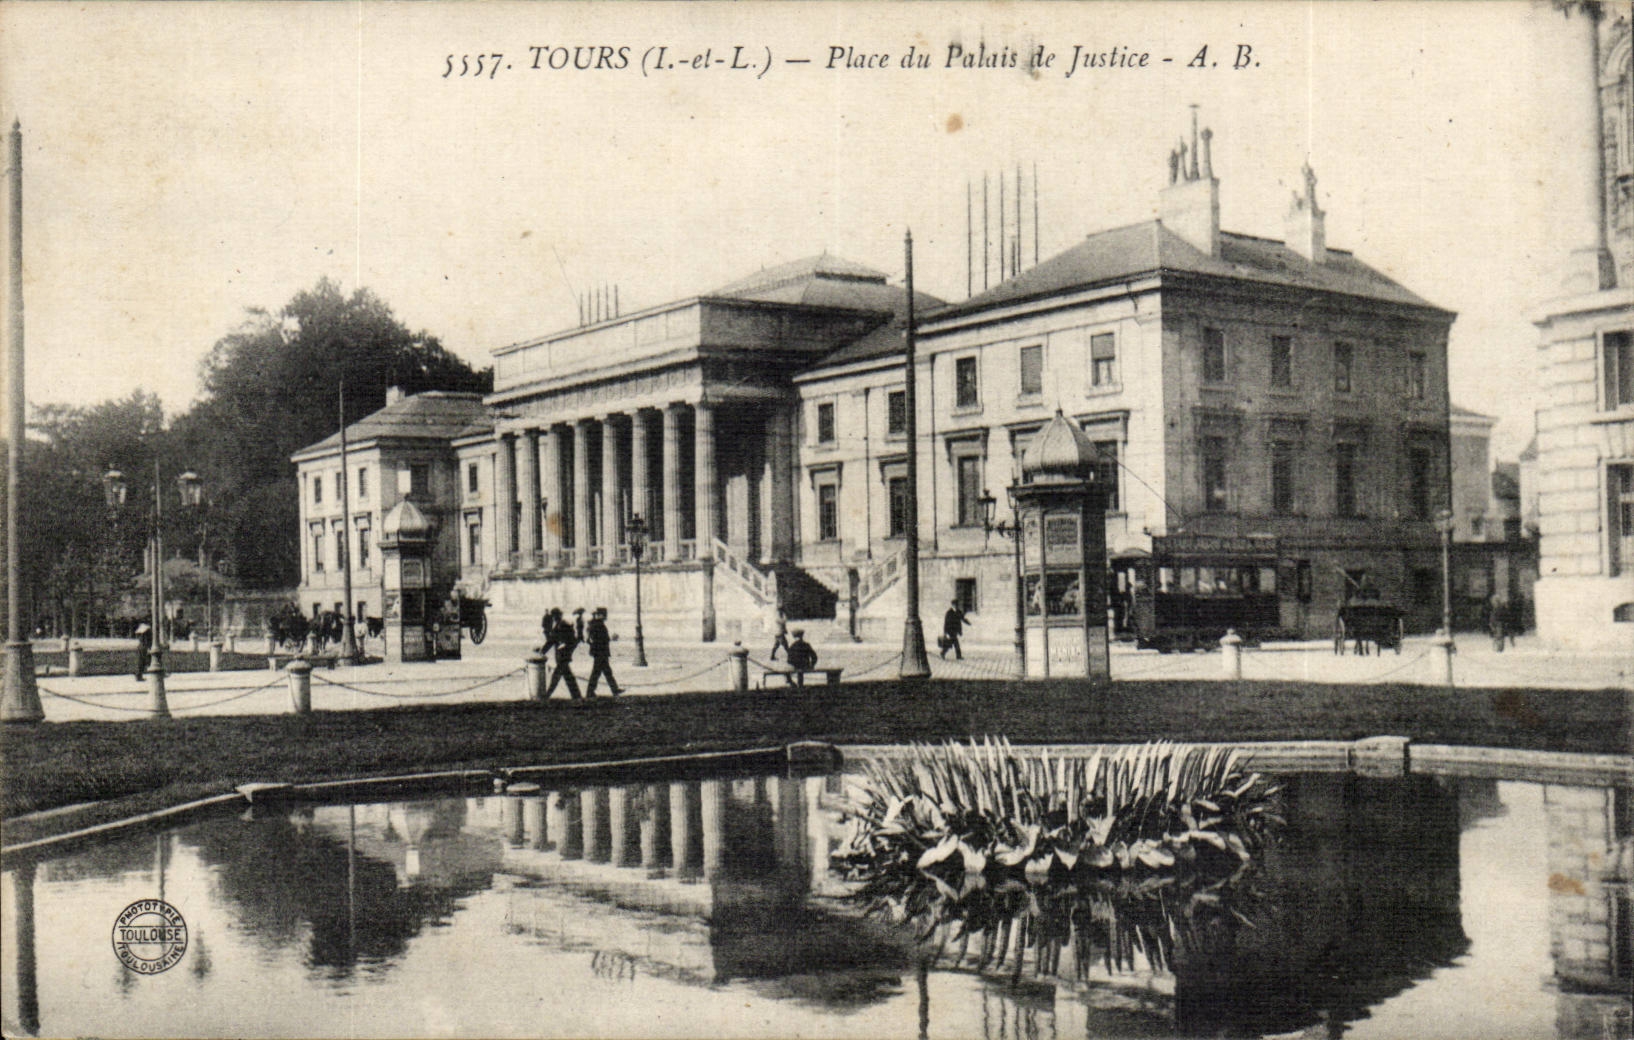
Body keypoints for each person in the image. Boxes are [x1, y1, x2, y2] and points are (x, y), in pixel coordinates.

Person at [539, 607, 582, 700]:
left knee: (556, 677)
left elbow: (552, 641)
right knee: (568, 677)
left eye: (554, 616)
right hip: (563, 656)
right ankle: (576, 696)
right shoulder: (562, 625)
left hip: (562, 656)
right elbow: (553, 640)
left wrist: (542, 651)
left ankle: (547, 695)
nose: (553, 618)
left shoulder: (561, 626)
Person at [584, 607, 622, 697]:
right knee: (598, 673)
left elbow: (592, 639)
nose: (606, 616)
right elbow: (600, 639)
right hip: (600, 652)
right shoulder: (598, 625)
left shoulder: (595, 624)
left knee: (605, 672)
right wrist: (611, 638)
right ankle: (590, 692)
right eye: (604, 615)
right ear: (600, 615)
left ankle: (614, 689)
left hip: (599, 652)